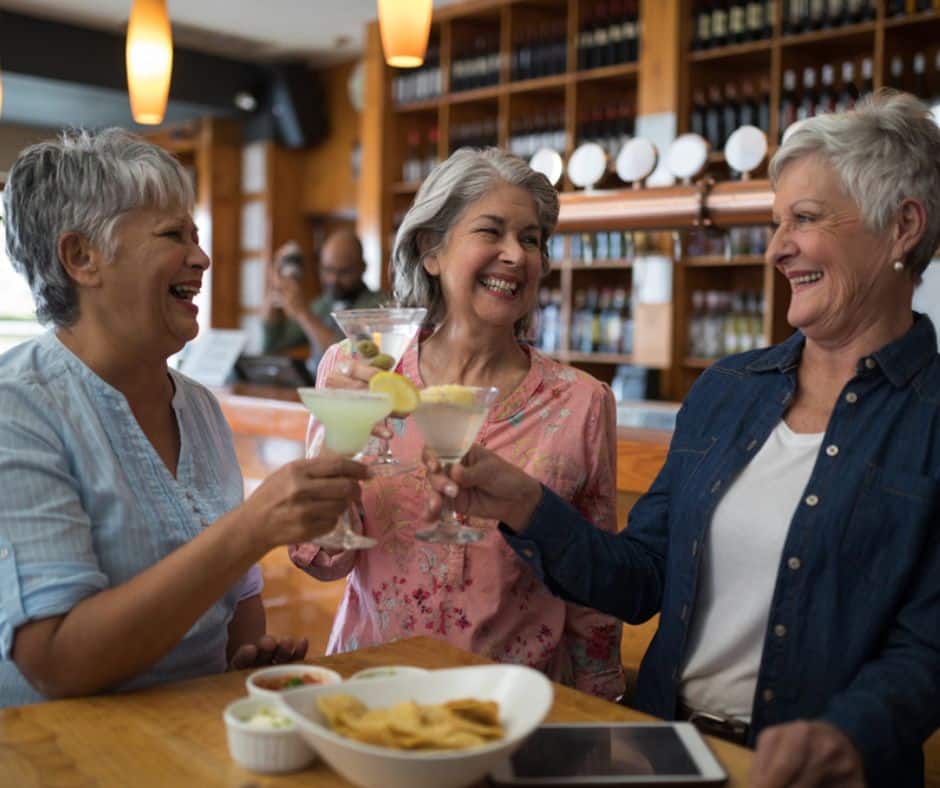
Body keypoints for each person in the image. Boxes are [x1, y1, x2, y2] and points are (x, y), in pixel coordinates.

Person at [425, 91, 940, 787]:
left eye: (805, 219)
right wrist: (525, 504)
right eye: (775, 221)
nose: (777, 247)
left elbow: (929, 645)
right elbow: (639, 579)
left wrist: (847, 734)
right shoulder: (730, 389)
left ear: (903, 225)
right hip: (666, 749)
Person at [0, 129, 369, 707]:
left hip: (196, 735)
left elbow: (236, 606)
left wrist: (241, 666)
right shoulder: (17, 406)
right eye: (173, 234)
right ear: (81, 257)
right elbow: (56, 661)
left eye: (195, 235)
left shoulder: (196, 407)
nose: (202, 257)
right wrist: (252, 527)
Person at [289, 148, 625, 701]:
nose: (516, 255)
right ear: (431, 251)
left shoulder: (583, 403)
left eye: (532, 239)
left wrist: (601, 712)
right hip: (369, 693)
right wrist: (336, 443)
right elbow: (321, 559)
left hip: (510, 709)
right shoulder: (356, 370)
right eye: (491, 232)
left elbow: (594, 592)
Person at [261, 230, 386, 369]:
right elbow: (274, 343)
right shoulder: (323, 305)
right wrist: (275, 288)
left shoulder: (378, 306)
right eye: (328, 270)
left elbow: (351, 356)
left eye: (343, 272)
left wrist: (303, 313)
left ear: (363, 268)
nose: (333, 279)